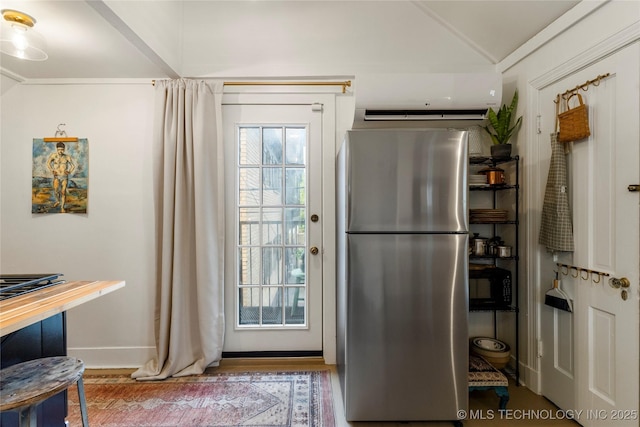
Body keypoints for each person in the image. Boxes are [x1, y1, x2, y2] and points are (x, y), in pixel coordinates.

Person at [46, 142, 76, 213]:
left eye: (62, 149)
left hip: (64, 177)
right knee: (56, 190)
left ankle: (62, 207)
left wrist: (69, 171)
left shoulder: (67, 157)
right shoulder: (53, 155)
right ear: (57, 149)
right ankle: (57, 201)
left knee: (63, 192)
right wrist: (52, 170)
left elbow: (73, 166)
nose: (60, 151)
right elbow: (48, 163)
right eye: (59, 149)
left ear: (64, 149)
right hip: (56, 176)